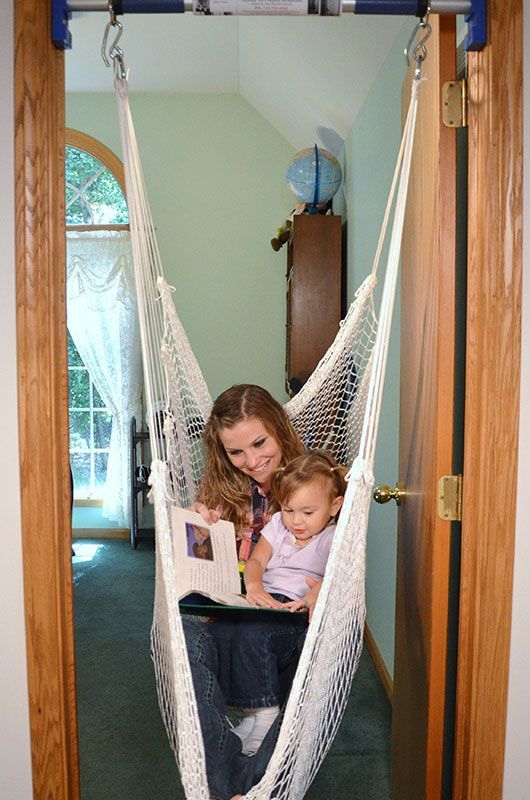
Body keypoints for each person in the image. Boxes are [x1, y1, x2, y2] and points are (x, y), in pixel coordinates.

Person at [183, 384, 305, 800]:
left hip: (285, 625)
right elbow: (201, 575)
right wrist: (199, 531)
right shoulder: (221, 491)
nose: (252, 462)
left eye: (259, 443)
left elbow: (337, 557)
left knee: (304, 673)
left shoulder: (315, 482)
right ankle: (225, 776)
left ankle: (248, 787)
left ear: (279, 428)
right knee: (182, 640)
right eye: (237, 453)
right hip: (232, 618)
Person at [224, 450, 347, 756]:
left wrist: (314, 594)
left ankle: (265, 713)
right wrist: (253, 586)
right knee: (229, 632)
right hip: (264, 600)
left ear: (334, 506)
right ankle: (252, 717)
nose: (297, 521)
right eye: (290, 509)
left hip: (294, 611)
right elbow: (255, 562)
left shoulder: (333, 537)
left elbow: (339, 577)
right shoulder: (279, 524)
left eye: (308, 512)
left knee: (255, 635)